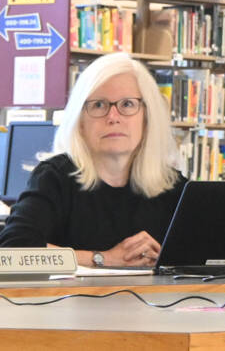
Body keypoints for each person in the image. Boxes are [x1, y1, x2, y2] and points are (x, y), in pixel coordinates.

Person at [0, 52, 186, 268]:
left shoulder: (172, 185)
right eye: (98, 105)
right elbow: (13, 251)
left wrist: (169, 259)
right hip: (68, 301)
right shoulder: (54, 177)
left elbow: (208, 256)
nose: (113, 117)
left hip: (156, 300)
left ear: (147, 118)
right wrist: (103, 258)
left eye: (127, 104)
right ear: (80, 121)